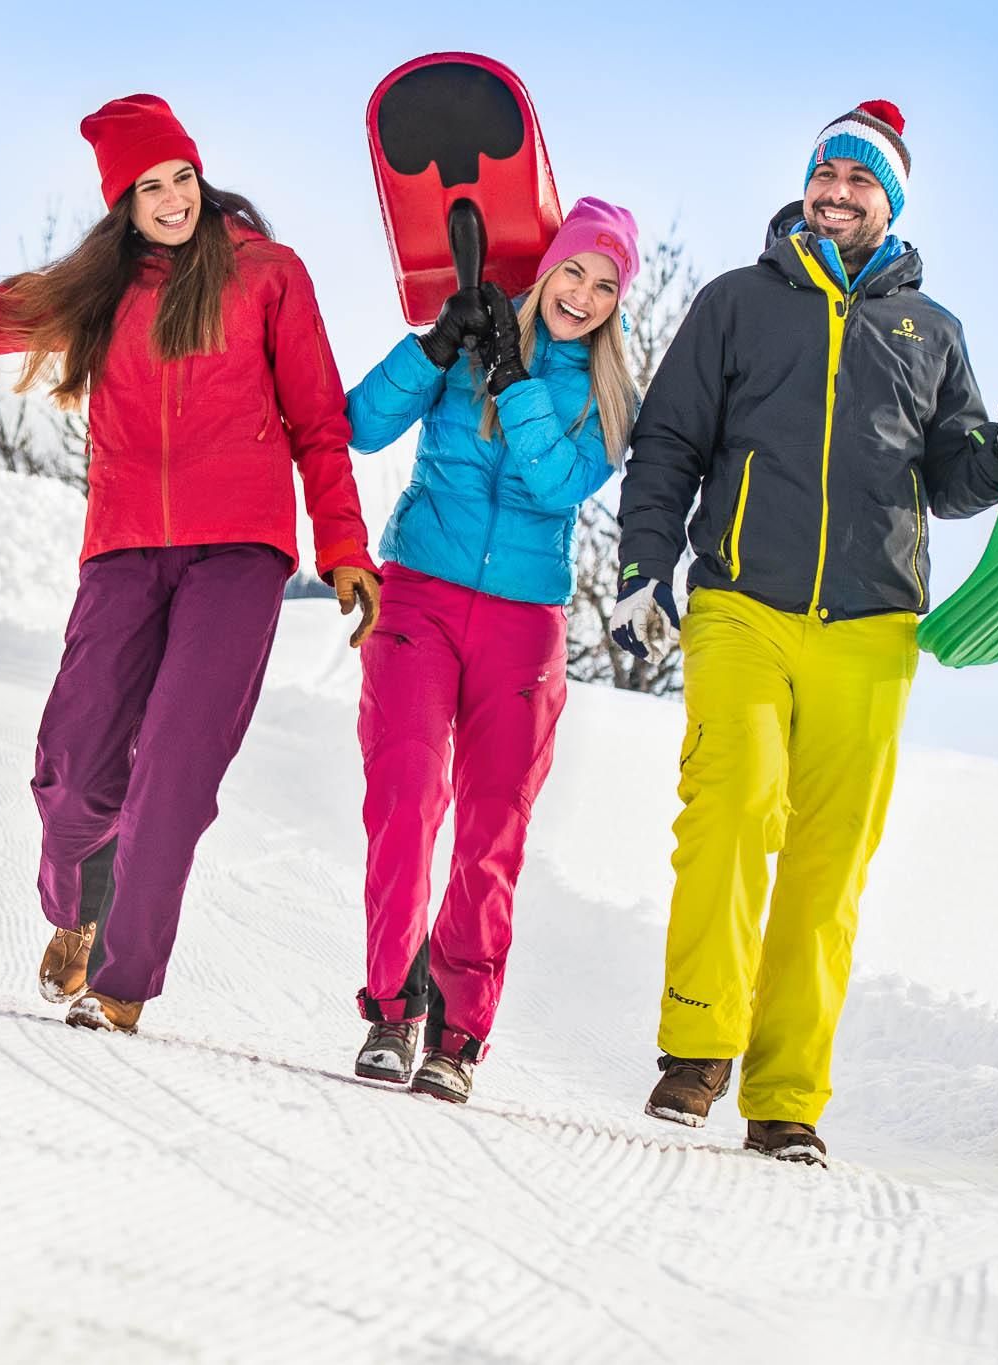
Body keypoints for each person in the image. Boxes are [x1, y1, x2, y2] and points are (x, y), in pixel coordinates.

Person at [611, 100, 998, 1164]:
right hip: (742, 602)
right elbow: (669, 441)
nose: (835, 193)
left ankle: (785, 1098)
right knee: (729, 806)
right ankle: (698, 1049)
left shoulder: (931, 331)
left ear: (889, 202)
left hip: (870, 627)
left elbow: (952, 479)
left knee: (829, 865)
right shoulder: (736, 302)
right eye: (825, 173)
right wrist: (642, 567)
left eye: (859, 180)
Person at [0, 96, 383, 1035]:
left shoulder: (267, 273)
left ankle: (122, 984)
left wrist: (344, 546)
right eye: (150, 186)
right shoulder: (96, 288)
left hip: (238, 552)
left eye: (182, 177)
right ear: (122, 201)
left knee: (174, 768)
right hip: (122, 548)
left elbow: (318, 421)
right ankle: (78, 909)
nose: (172, 199)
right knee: (73, 769)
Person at [342, 199, 642, 1103]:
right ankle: (393, 1006)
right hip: (420, 596)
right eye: (574, 271)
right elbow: (359, 423)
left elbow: (556, 485)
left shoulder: (609, 397)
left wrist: (514, 379)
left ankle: (457, 1032)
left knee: (491, 830)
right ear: (546, 269)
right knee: (405, 797)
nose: (583, 295)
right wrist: (436, 346)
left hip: (523, 627)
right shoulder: (467, 335)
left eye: (606, 285)